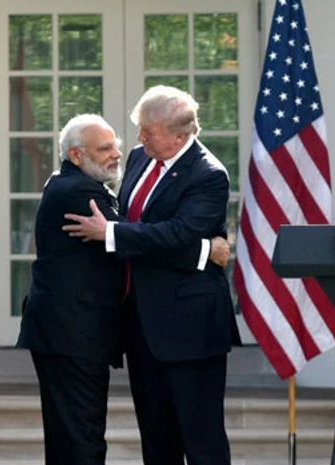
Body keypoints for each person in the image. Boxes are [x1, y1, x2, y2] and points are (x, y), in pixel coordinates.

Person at [16, 113, 230, 465]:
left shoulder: (76, 182)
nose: (118, 153)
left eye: (115, 144)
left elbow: (130, 235)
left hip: (76, 333)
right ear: (76, 156)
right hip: (71, 334)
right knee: (80, 441)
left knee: (75, 438)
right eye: (104, 148)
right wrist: (206, 250)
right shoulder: (79, 191)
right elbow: (133, 238)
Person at [64, 86, 242, 465]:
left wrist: (111, 233)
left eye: (149, 131)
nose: (140, 137)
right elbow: (138, 221)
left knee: (201, 439)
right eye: (140, 128)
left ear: (180, 136)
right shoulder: (140, 157)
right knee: (156, 440)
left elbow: (178, 233)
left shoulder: (208, 174)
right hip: (142, 323)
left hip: (190, 328)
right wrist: (204, 252)